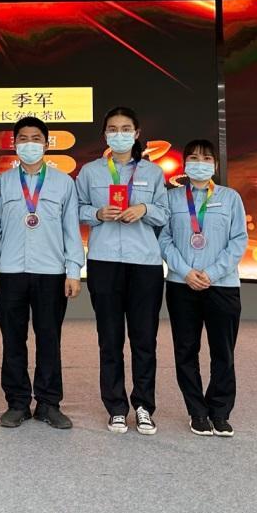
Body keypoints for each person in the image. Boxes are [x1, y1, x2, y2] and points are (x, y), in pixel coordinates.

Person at [0, 116, 84, 430]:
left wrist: (73, 270)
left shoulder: (63, 183)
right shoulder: (2, 183)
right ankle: (17, 403)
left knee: (49, 338)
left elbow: (71, 230)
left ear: (47, 143)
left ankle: (48, 403)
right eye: (23, 139)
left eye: (36, 138)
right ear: (14, 144)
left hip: (51, 272)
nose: (30, 144)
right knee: (13, 340)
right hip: (10, 271)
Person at [76, 106, 169, 435]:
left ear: (136, 133)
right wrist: (98, 213)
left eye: (125, 129)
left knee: (144, 339)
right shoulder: (90, 172)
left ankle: (143, 406)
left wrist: (143, 208)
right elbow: (77, 209)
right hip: (104, 262)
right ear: (105, 135)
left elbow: (165, 213)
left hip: (144, 263)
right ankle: (116, 407)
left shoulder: (153, 173)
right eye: (113, 129)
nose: (119, 134)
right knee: (110, 339)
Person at [159, 139, 248, 438]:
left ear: (215, 165)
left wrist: (211, 273)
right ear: (185, 164)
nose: (200, 163)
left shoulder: (230, 197)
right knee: (186, 350)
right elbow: (164, 240)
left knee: (223, 351)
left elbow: (238, 240)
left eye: (207, 158)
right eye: (194, 158)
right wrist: (185, 272)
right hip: (181, 285)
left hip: (222, 285)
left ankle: (220, 412)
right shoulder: (171, 198)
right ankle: (197, 411)